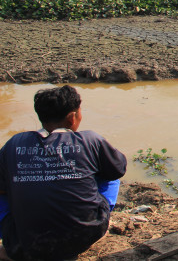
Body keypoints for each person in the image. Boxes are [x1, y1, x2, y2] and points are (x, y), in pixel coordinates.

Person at [0, 85, 127, 261]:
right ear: (72, 117)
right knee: (109, 175)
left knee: (6, 186)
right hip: (82, 236)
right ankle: (95, 219)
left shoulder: (15, 143)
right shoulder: (90, 140)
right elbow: (118, 169)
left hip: (23, 243)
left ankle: (13, 240)